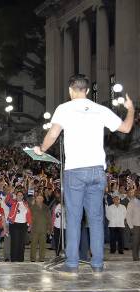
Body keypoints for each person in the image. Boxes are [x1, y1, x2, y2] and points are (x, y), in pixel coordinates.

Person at [34, 74, 135, 273]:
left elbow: (53, 134)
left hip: (75, 170)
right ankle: (97, 263)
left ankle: (72, 263)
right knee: (96, 219)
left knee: (74, 217)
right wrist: (130, 109)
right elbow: (126, 127)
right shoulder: (100, 109)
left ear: (71, 90)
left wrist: (41, 149)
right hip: (97, 170)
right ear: (87, 91)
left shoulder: (64, 109)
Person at [7, 190, 32, 262]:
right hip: (14, 225)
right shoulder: (13, 202)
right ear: (16, 196)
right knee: (15, 242)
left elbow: (29, 214)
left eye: (21, 195)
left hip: (23, 225)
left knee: (21, 243)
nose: (20, 196)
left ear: (23, 196)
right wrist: (10, 192)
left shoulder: (26, 204)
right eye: (18, 195)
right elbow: (6, 200)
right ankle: (14, 259)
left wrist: (30, 224)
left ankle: (20, 260)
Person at [30, 194, 51, 262]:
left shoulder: (46, 207)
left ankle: (42, 258)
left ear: (43, 199)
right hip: (34, 229)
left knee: (43, 245)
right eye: (38, 198)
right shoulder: (32, 207)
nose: (39, 200)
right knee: (33, 245)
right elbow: (29, 218)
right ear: (36, 199)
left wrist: (49, 228)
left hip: (43, 229)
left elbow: (49, 218)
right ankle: (32, 258)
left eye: (41, 198)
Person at [125, 190, 140, 261]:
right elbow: (128, 216)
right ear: (136, 193)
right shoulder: (132, 202)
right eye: (138, 192)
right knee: (136, 243)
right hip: (136, 226)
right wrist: (131, 227)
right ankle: (135, 257)